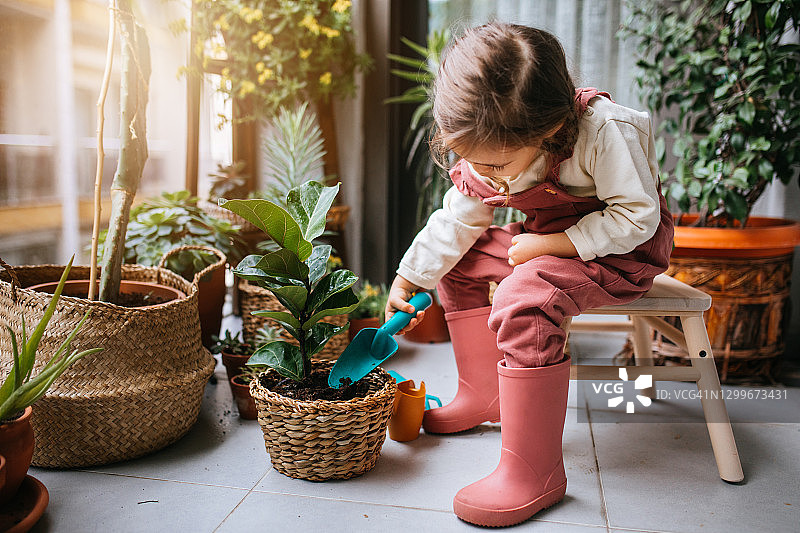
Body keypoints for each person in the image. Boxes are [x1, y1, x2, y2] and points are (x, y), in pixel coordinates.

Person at [384, 22, 674, 527]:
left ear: (547, 128)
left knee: (525, 296)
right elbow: (458, 218)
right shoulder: (489, 146)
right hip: (545, 243)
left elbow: (636, 217)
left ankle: (535, 471)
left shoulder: (602, 132)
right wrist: (411, 279)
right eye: (472, 162)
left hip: (621, 253)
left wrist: (553, 245)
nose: (488, 175)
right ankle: (485, 394)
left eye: (498, 165)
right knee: (462, 262)